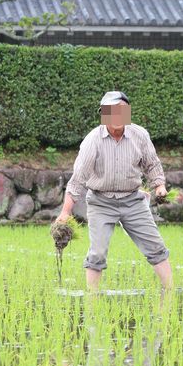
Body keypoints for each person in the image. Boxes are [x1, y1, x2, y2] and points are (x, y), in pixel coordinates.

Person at [55, 91, 173, 292]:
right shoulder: (93, 140)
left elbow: (152, 164)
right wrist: (65, 213)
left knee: (155, 246)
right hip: (101, 202)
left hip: (133, 200)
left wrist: (159, 186)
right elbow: (78, 179)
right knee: (97, 253)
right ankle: (93, 300)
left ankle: (170, 291)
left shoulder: (140, 135)